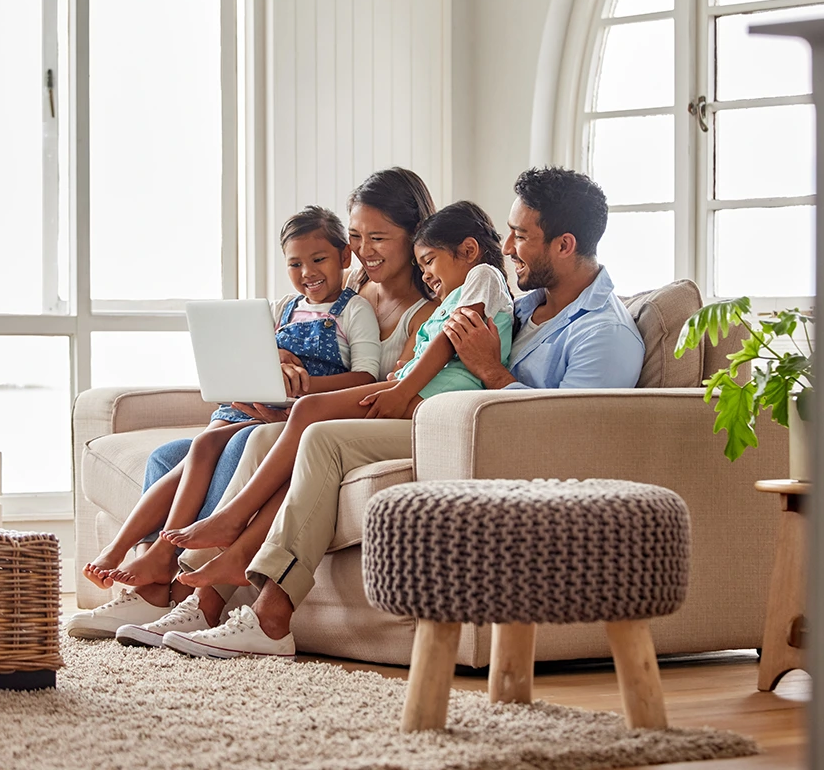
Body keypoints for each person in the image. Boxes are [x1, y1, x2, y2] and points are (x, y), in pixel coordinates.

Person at [160, 166, 645, 659]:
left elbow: (571, 439)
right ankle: (204, 599)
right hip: (441, 419)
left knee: (325, 438)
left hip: (477, 441)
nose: (509, 244)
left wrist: (492, 372)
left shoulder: (603, 334)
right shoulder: (526, 303)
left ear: (564, 245)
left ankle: (271, 617)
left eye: (522, 236)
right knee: (269, 436)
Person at [64, 168, 438, 641]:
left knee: (244, 445)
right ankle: (155, 584)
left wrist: (299, 403)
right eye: (359, 236)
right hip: (279, 411)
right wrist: (272, 361)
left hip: (324, 420)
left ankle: (172, 583)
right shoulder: (341, 291)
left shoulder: (425, 311)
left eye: (379, 238)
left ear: (415, 235)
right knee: (170, 455)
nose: (365, 250)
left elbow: (382, 385)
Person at [155, 201, 516, 659]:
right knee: (272, 432)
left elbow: (445, 344)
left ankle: (265, 606)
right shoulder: (436, 296)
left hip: (434, 412)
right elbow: (427, 344)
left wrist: (403, 390)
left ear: (467, 250)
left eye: (429, 261)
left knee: (317, 428)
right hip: (413, 398)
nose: (426, 274)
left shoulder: (484, 276)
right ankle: (206, 602)